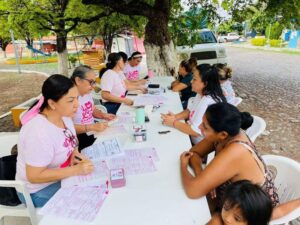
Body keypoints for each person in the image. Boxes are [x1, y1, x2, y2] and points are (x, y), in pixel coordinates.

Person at [180, 103, 279, 213]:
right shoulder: (225, 134)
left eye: (205, 126)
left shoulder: (235, 151)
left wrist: (183, 165)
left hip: (251, 212)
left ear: (223, 134)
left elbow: (193, 191)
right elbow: (194, 153)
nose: (199, 127)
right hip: (231, 200)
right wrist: (202, 175)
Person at [16, 75, 94, 207]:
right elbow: (34, 176)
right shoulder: (38, 132)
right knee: (89, 199)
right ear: (52, 103)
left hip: (61, 178)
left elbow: (71, 141)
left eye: (77, 98)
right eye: (70, 100)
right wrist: (75, 170)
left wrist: (74, 154)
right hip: (37, 191)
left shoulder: (65, 117)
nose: (77, 105)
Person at [161, 64, 226, 145]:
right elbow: (190, 110)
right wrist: (174, 117)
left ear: (205, 83)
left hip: (197, 143)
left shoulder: (209, 101)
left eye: (194, 79)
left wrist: (173, 122)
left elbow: (195, 131)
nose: (191, 81)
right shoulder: (201, 94)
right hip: (189, 136)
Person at [207, 180, 300, 225]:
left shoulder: (256, 214)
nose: (227, 218)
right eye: (226, 208)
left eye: (237, 218)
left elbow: (280, 211)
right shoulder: (217, 221)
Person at [71, 65, 116, 151]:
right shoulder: (69, 99)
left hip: (92, 131)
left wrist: (103, 115)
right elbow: (67, 128)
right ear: (78, 80)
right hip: (80, 137)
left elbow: (92, 109)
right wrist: (92, 127)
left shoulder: (87, 93)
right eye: (91, 82)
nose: (93, 86)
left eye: (94, 82)